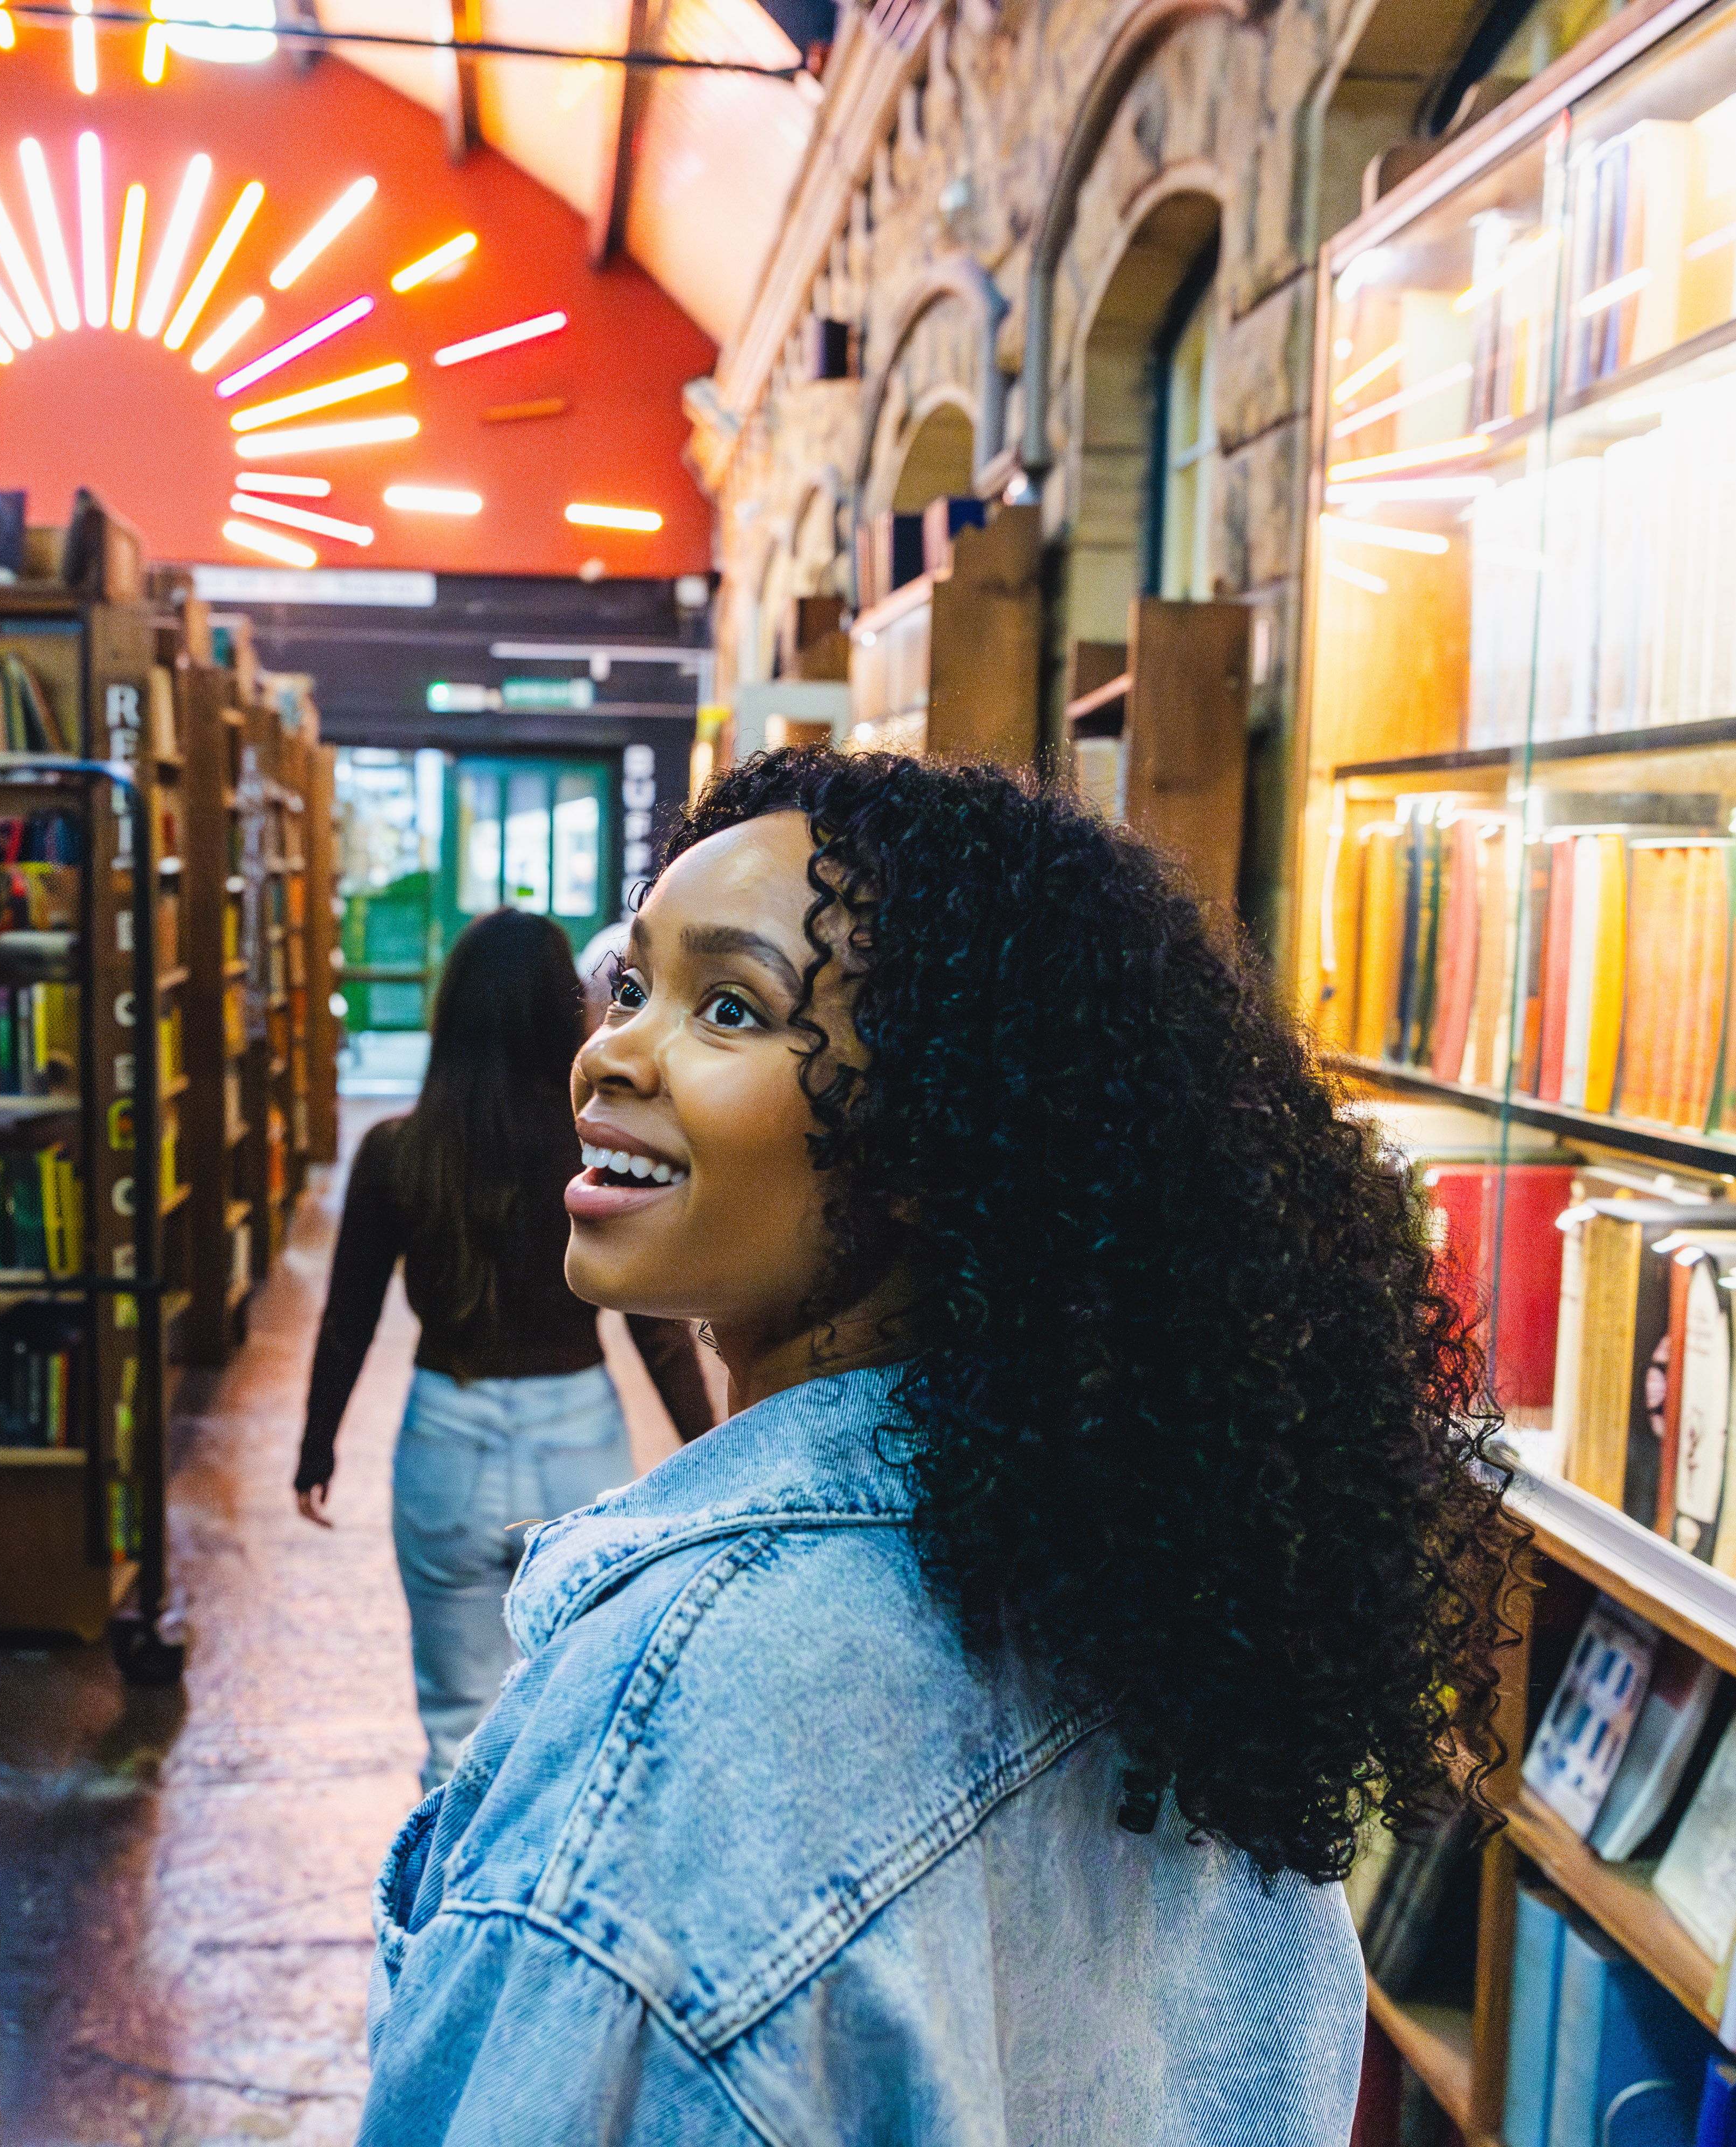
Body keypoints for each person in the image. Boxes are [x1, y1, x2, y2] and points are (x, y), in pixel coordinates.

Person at [361, 751, 1519, 2143]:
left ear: (924, 1141)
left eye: (726, 1007)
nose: (611, 1050)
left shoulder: (675, 1723)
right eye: (630, 988)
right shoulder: (1162, 1595)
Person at [300, 907, 714, 1791]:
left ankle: (446, 1917)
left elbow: (348, 1319)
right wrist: (707, 1449)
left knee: (455, 1723)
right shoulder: (595, 1151)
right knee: (568, 1718)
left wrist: (316, 1446)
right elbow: (655, 1328)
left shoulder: (395, 1153)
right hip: (576, 1437)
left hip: (441, 1436)